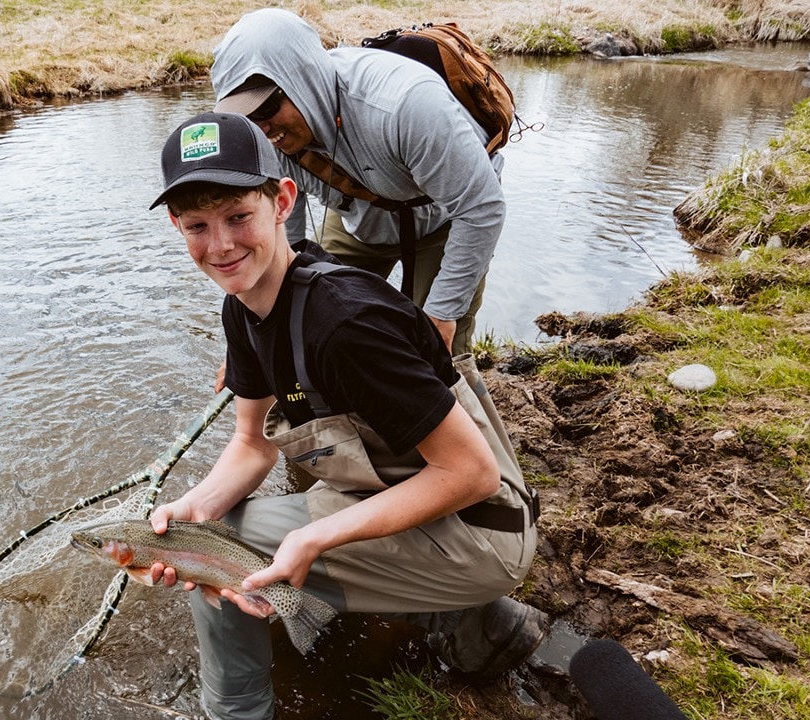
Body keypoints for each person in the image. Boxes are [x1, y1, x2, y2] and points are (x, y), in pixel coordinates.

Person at [146, 111, 544, 720]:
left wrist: (311, 537)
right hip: (414, 496)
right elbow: (251, 444)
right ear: (177, 225)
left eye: (238, 217)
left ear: (281, 201)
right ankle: (463, 619)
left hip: (482, 527)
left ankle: (236, 713)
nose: (221, 245)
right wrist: (194, 508)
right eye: (198, 225)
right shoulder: (243, 307)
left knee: (220, 568)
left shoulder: (347, 324)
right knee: (208, 533)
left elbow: (472, 475)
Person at [211, 8, 507, 357]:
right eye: (245, 117)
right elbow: (280, 236)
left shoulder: (406, 105)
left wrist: (442, 314)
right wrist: (252, 349)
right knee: (315, 327)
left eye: (265, 109)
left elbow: (482, 208)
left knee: (438, 352)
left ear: (302, 81)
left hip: (446, 218)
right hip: (360, 216)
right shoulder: (265, 135)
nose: (260, 128)